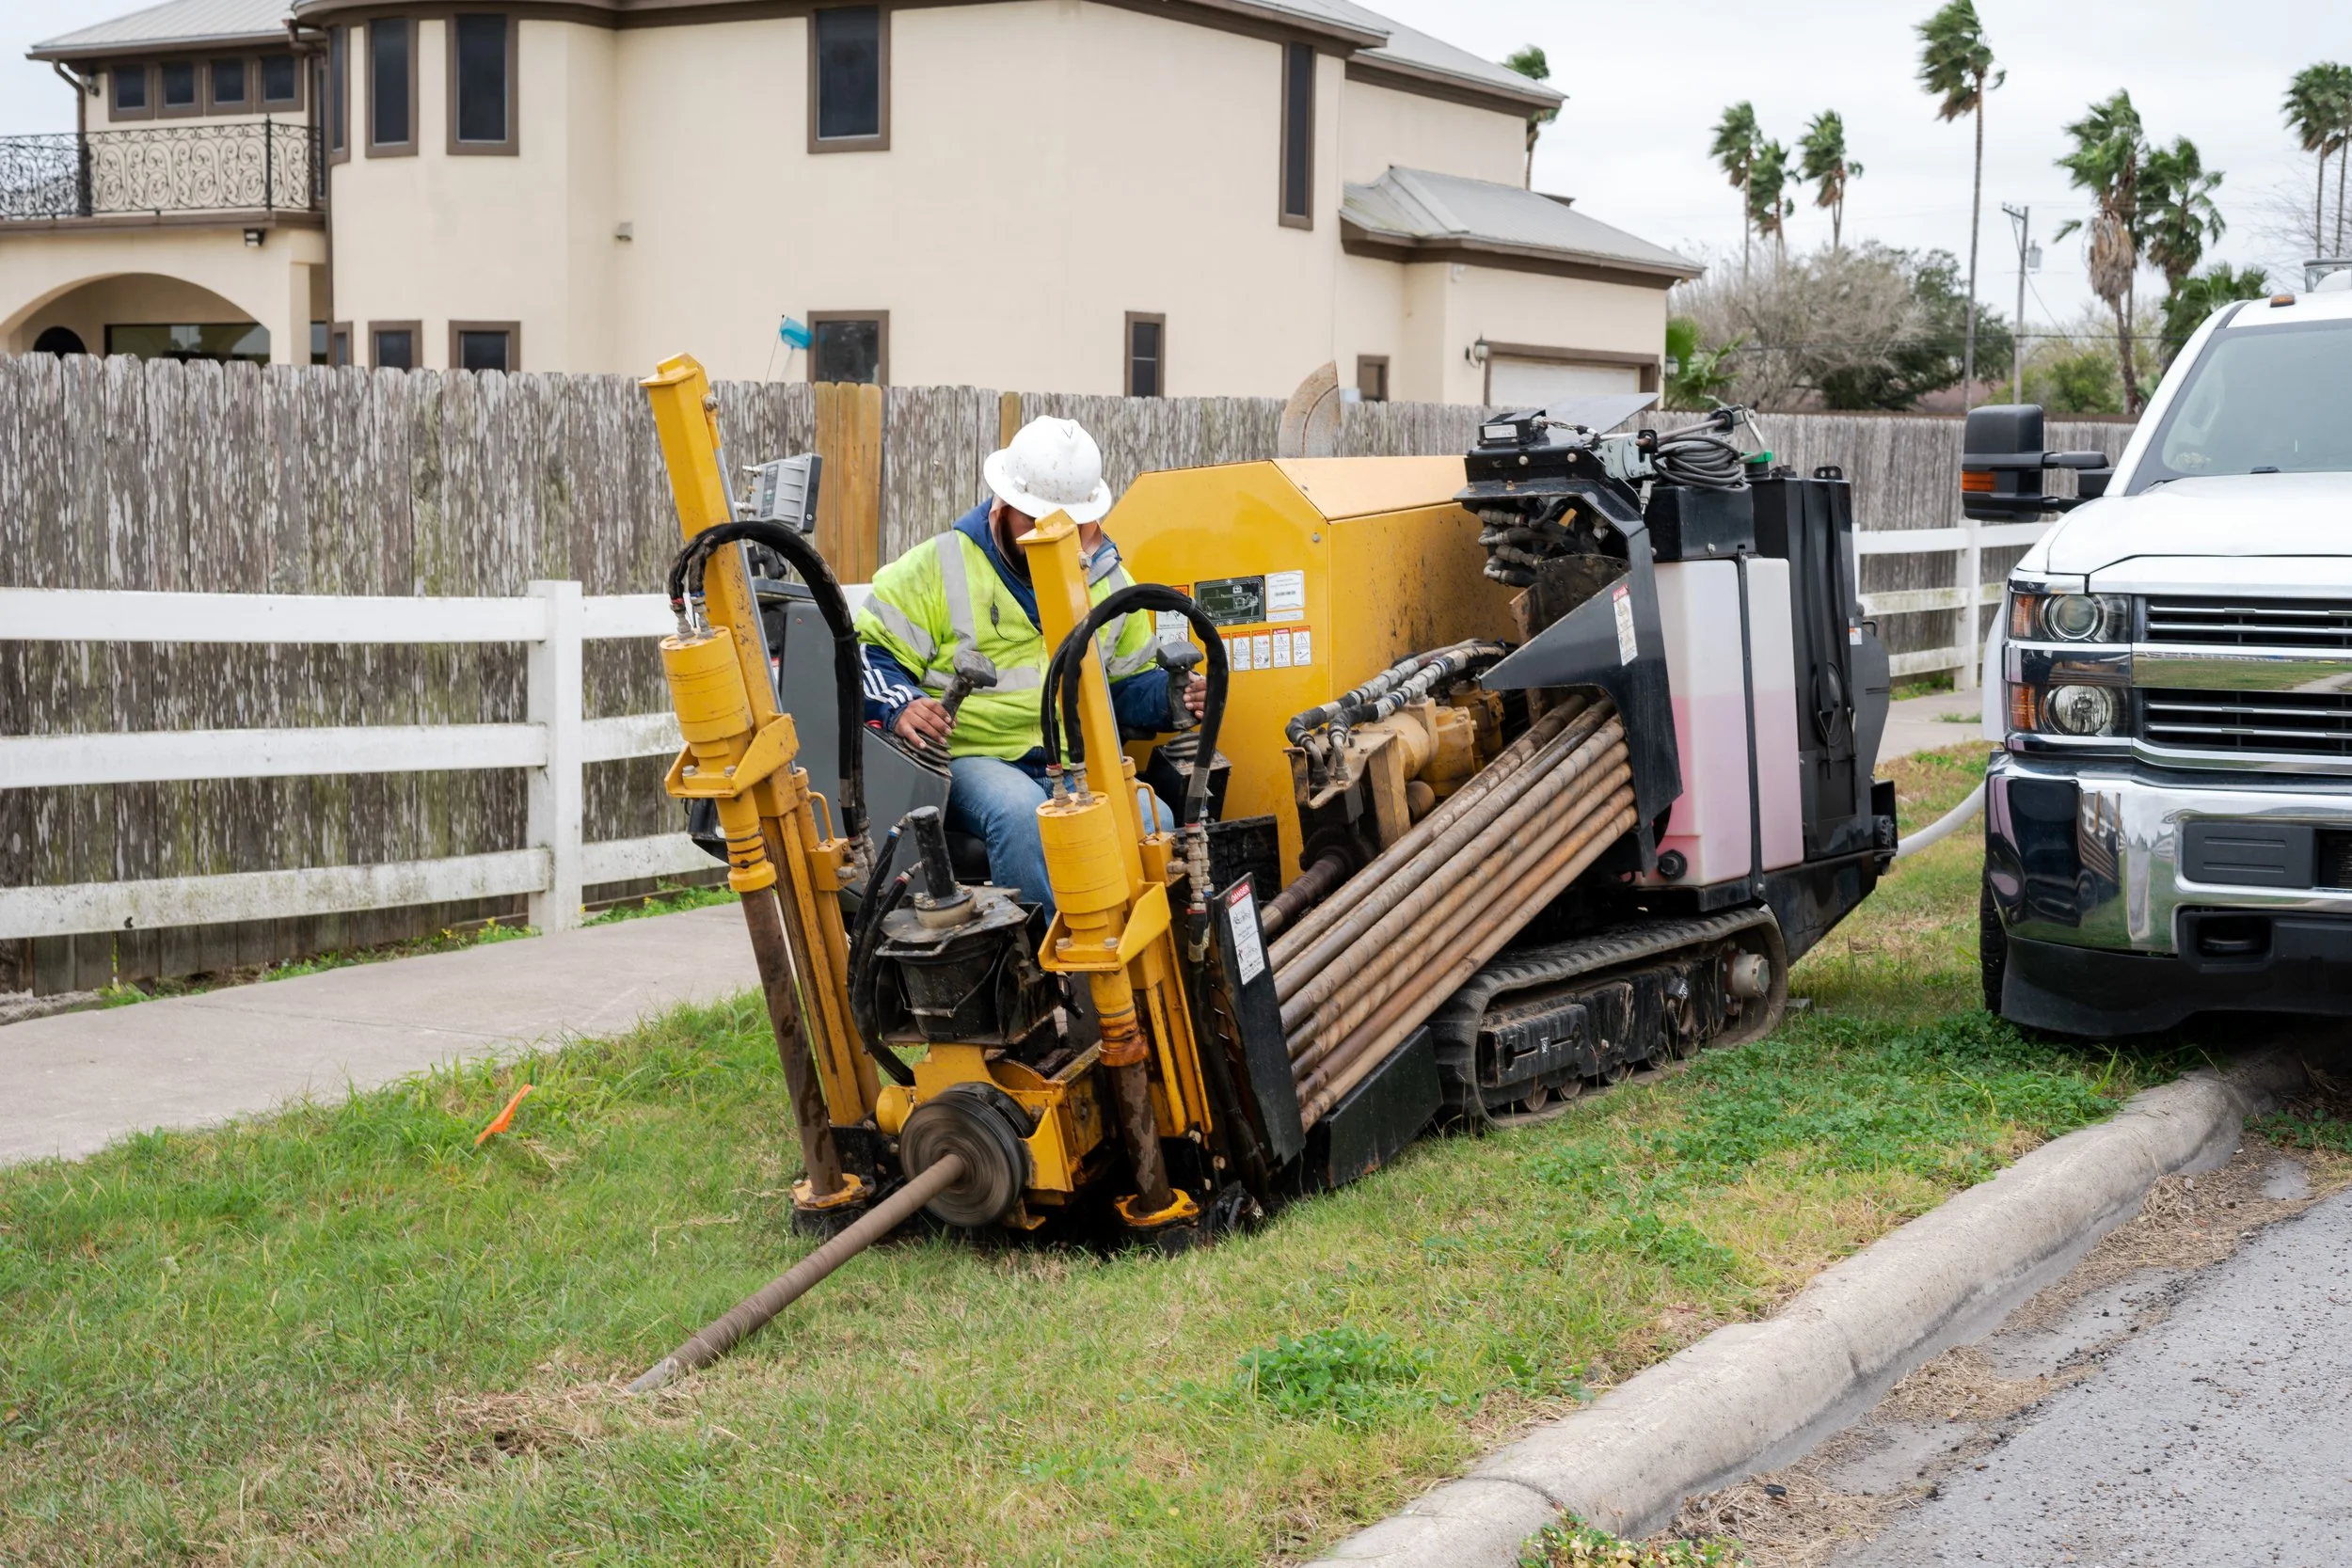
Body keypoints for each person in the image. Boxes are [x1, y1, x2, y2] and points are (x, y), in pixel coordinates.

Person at [852, 416, 1206, 913]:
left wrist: (1174, 696)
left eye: (1069, 524)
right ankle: (1041, 970)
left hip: (1074, 761)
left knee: (1156, 823)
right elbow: (869, 653)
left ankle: (1133, 963)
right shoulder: (938, 565)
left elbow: (1125, 686)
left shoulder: (1110, 582)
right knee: (1023, 818)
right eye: (1034, 521)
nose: (1050, 535)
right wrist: (901, 704)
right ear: (1002, 505)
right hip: (976, 757)